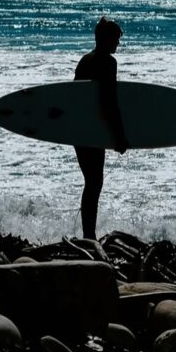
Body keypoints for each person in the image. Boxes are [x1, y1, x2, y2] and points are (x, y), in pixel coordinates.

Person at [73, 16, 129, 239]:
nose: (118, 44)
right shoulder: (107, 63)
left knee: (91, 181)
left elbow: (74, 97)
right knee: (95, 181)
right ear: (106, 39)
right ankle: (89, 236)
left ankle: (89, 233)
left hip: (79, 128)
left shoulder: (85, 60)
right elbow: (109, 103)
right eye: (116, 39)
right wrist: (119, 137)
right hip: (94, 130)